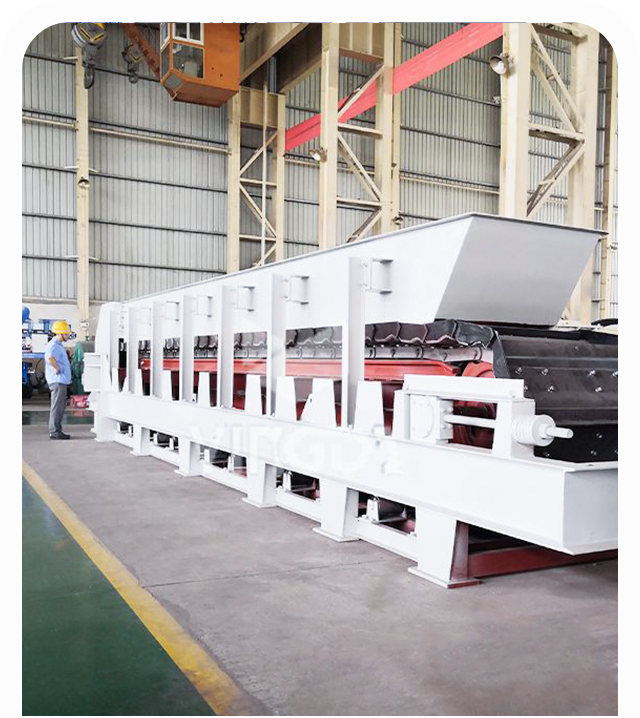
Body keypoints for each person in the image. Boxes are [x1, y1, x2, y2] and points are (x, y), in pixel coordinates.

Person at [45, 320, 73, 440]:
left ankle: (56, 430)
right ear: (61, 333)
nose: (68, 335)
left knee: (59, 407)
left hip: (61, 381)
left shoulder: (58, 345)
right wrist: (56, 368)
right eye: (66, 333)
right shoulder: (54, 345)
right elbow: (50, 358)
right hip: (57, 381)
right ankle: (54, 432)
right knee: (57, 407)